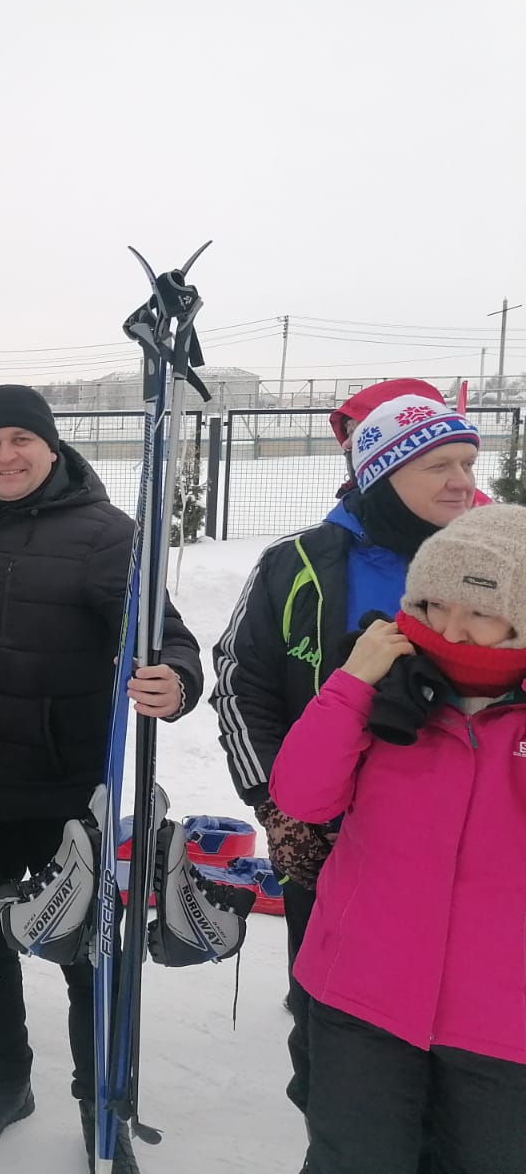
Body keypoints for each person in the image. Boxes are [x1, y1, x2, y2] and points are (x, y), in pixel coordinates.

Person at [0, 385, 202, 1171]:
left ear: (50, 444)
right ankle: (5, 1081)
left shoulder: (105, 534)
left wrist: (174, 678)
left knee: (84, 955)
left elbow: (167, 638)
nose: (5, 456)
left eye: (20, 440)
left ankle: (100, 1103)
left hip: (64, 790)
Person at [212, 387, 479, 1130]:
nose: (461, 481)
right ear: (381, 473)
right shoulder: (299, 563)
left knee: (467, 1045)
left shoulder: (500, 560)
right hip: (331, 844)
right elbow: (240, 682)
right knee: (334, 1030)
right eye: (438, 465)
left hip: (473, 859)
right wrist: (277, 807)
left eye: (468, 461)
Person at [271, 504, 526, 1174]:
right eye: (434, 605)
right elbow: (301, 797)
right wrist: (350, 687)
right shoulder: (391, 685)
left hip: (503, 1024)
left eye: (480, 612)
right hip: (360, 995)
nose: (450, 630)